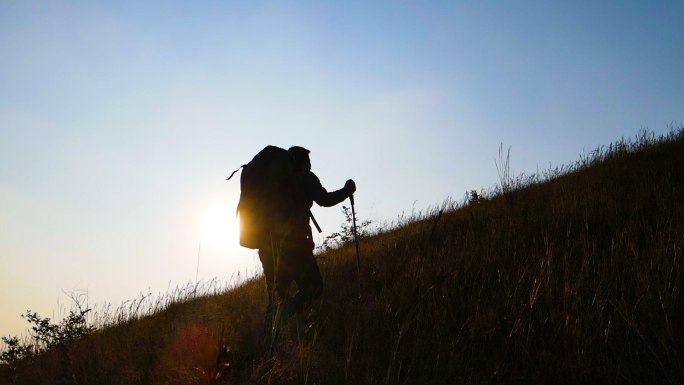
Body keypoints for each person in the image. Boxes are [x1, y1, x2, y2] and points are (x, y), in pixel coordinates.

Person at [258, 146, 356, 319]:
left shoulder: (275, 184)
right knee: (314, 287)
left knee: (277, 297)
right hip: (294, 245)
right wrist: (347, 190)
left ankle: (267, 337)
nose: (310, 164)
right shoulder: (305, 178)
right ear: (303, 162)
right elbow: (325, 200)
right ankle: (285, 317)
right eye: (308, 160)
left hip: (267, 246)